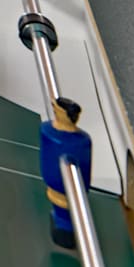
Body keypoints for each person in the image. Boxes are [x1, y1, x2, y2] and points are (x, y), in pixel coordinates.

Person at [39, 96, 94, 250]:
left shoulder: (81, 142)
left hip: (70, 195)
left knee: (65, 210)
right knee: (62, 207)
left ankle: (66, 229)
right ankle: (63, 226)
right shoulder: (82, 141)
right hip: (62, 192)